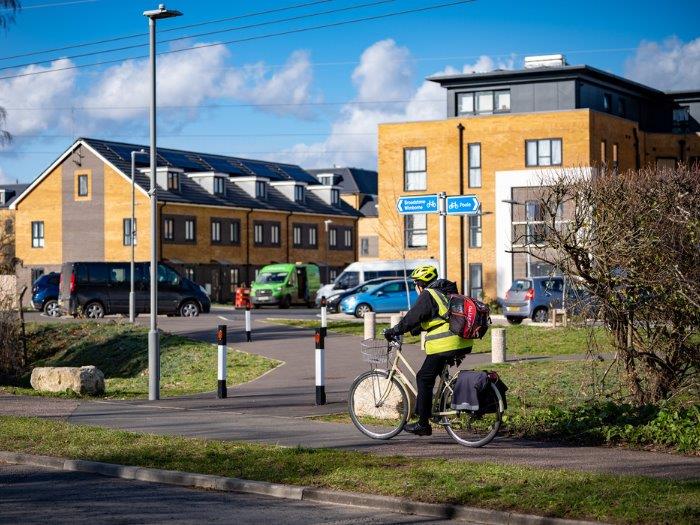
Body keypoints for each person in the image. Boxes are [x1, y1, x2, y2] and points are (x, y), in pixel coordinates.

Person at [383, 265, 472, 436]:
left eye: (415, 285)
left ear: (419, 284)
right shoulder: (444, 293)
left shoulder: (428, 294)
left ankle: (423, 424)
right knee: (433, 377)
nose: (416, 288)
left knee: (423, 378)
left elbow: (412, 317)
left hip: (445, 344)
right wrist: (414, 329)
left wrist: (395, 330)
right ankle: (432, 408)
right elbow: (434, 318)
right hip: (459, 341)